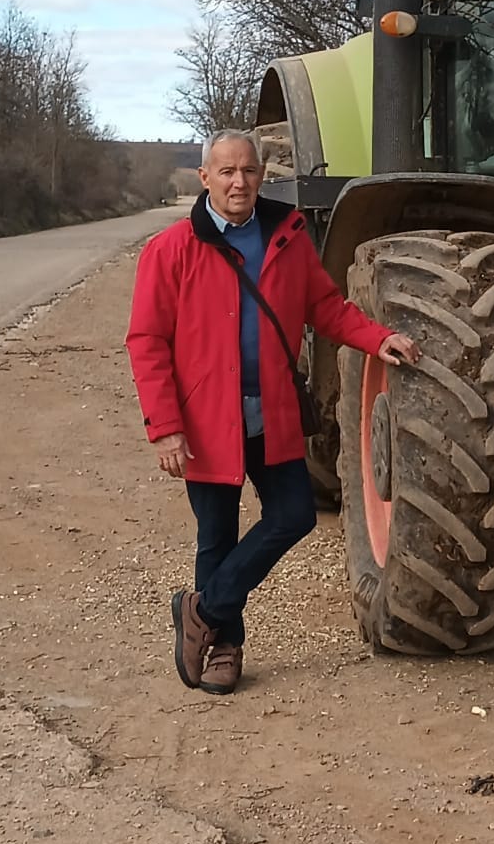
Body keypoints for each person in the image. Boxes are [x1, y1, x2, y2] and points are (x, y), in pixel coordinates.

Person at [126, 129, 420, 695]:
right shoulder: (170, 250)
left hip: (273, 414)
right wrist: (164, 428)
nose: (240, 183)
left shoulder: (286, 236)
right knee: (216, 535)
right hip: (207, 422)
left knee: (294, 515)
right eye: (227, 172)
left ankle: (200, 611)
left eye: (250, 172)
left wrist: (375, 337)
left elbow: (325, 307)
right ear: (204, 177)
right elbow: (147, 341)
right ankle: (223, 650)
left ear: (262, 176)